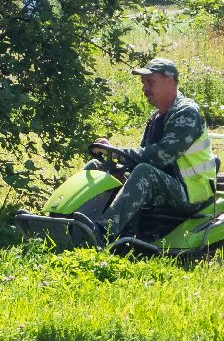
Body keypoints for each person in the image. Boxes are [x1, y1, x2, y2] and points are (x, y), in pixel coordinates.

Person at [90, 57, 213, 241]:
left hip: (191, 193)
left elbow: (160, 156)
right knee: (97, 165)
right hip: (169, 184)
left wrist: (116, 153)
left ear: (169, 81)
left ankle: (101, 235)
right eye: (143, 83)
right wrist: (115, 163)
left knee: (144, 173)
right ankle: (68, 219)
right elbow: (143, 155)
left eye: (150, 82)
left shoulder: (187, 113)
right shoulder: (156, 117)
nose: (145, 89)